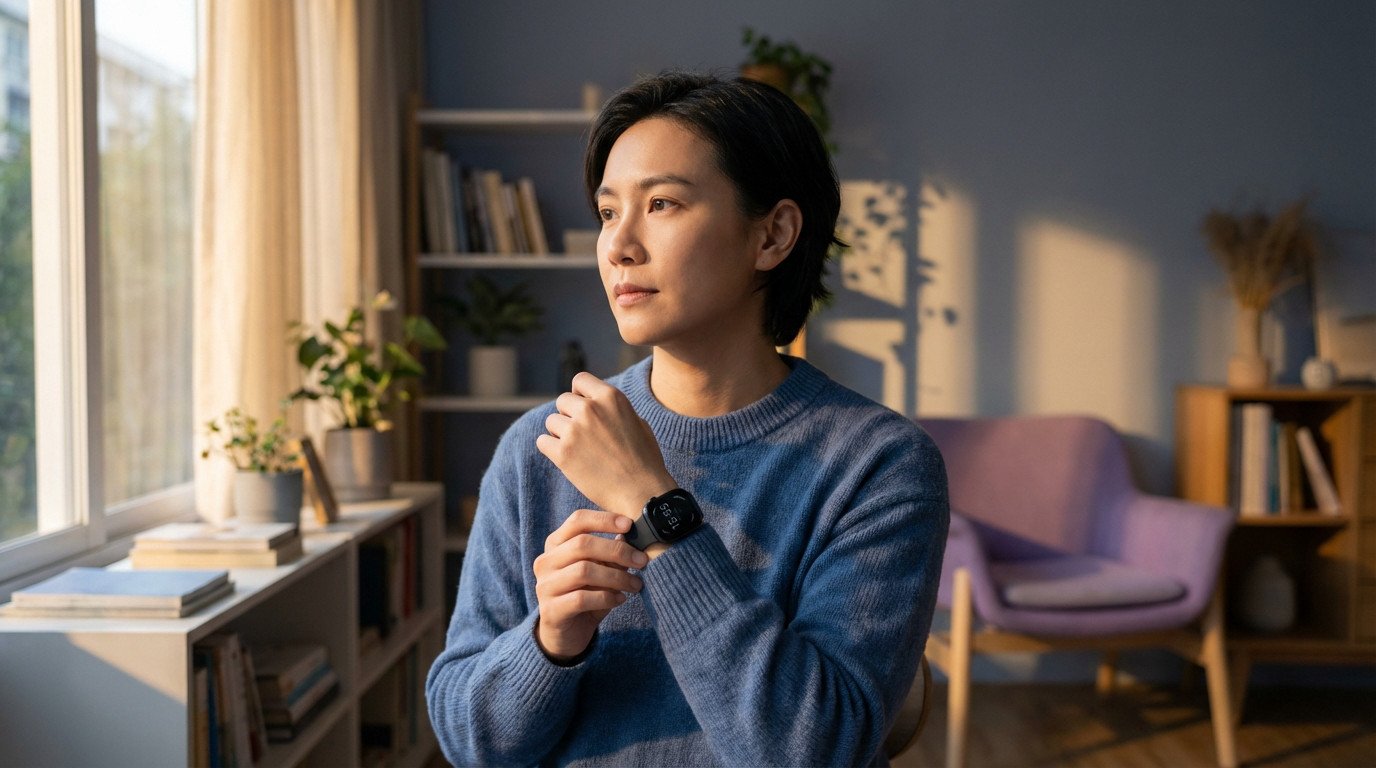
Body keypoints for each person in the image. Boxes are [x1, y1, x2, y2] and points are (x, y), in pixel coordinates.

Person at [426, 70, 949, 767]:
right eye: (609, 212)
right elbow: (469, 744)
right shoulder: (541, 447)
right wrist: (550, 640)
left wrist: (655, 507)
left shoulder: (878, 465)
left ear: (773, 235)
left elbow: (812, 750)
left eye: (663, 203)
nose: (618, 246)